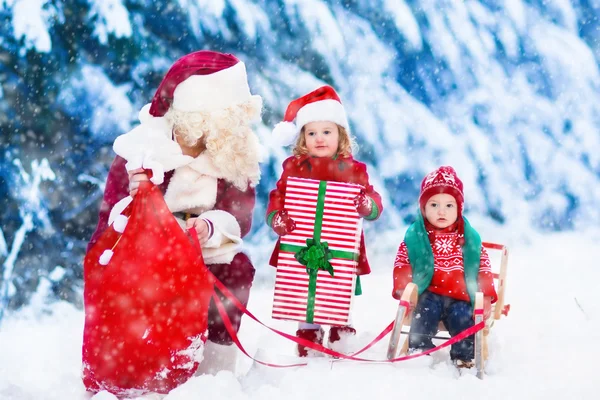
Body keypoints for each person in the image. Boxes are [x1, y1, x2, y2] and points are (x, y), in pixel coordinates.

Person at [87, 50, 262, 375]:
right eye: (224, 121)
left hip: (203, 250)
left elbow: (241, 217)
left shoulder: (233, 154)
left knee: (236, 270)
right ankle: (139, 367)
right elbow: (110, 219)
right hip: (142, 252)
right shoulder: (139, 151)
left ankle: (214, 371)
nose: (231, 130)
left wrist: (210, 228)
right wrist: (137, 201)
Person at [266, 85, 383, 356]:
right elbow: (278, 197)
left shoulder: (354, 171)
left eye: (326, 132)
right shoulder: (294, 169)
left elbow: (373, 200)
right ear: (302, 138)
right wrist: (277, 217)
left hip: (340, 246)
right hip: (302, 244)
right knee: (303, 285)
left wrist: (368, 205)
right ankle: (308, 332)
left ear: (340, 135)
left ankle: (341, 328)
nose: (319, 138)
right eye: (312, 132)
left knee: (338, 285)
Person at [391, 166, 497, 368]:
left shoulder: (468, 238)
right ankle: (419, 349)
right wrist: (405, 290)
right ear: (423, 208)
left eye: (449, 205)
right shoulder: (416, 236)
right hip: (428, 292)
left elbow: (483, 267)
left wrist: (487, 296)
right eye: (434, 205)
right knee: (424, 312)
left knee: (463, 318)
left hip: (461, 295)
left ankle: (463, 356)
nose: (441, 211)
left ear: (459, 209)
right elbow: (403, 262)